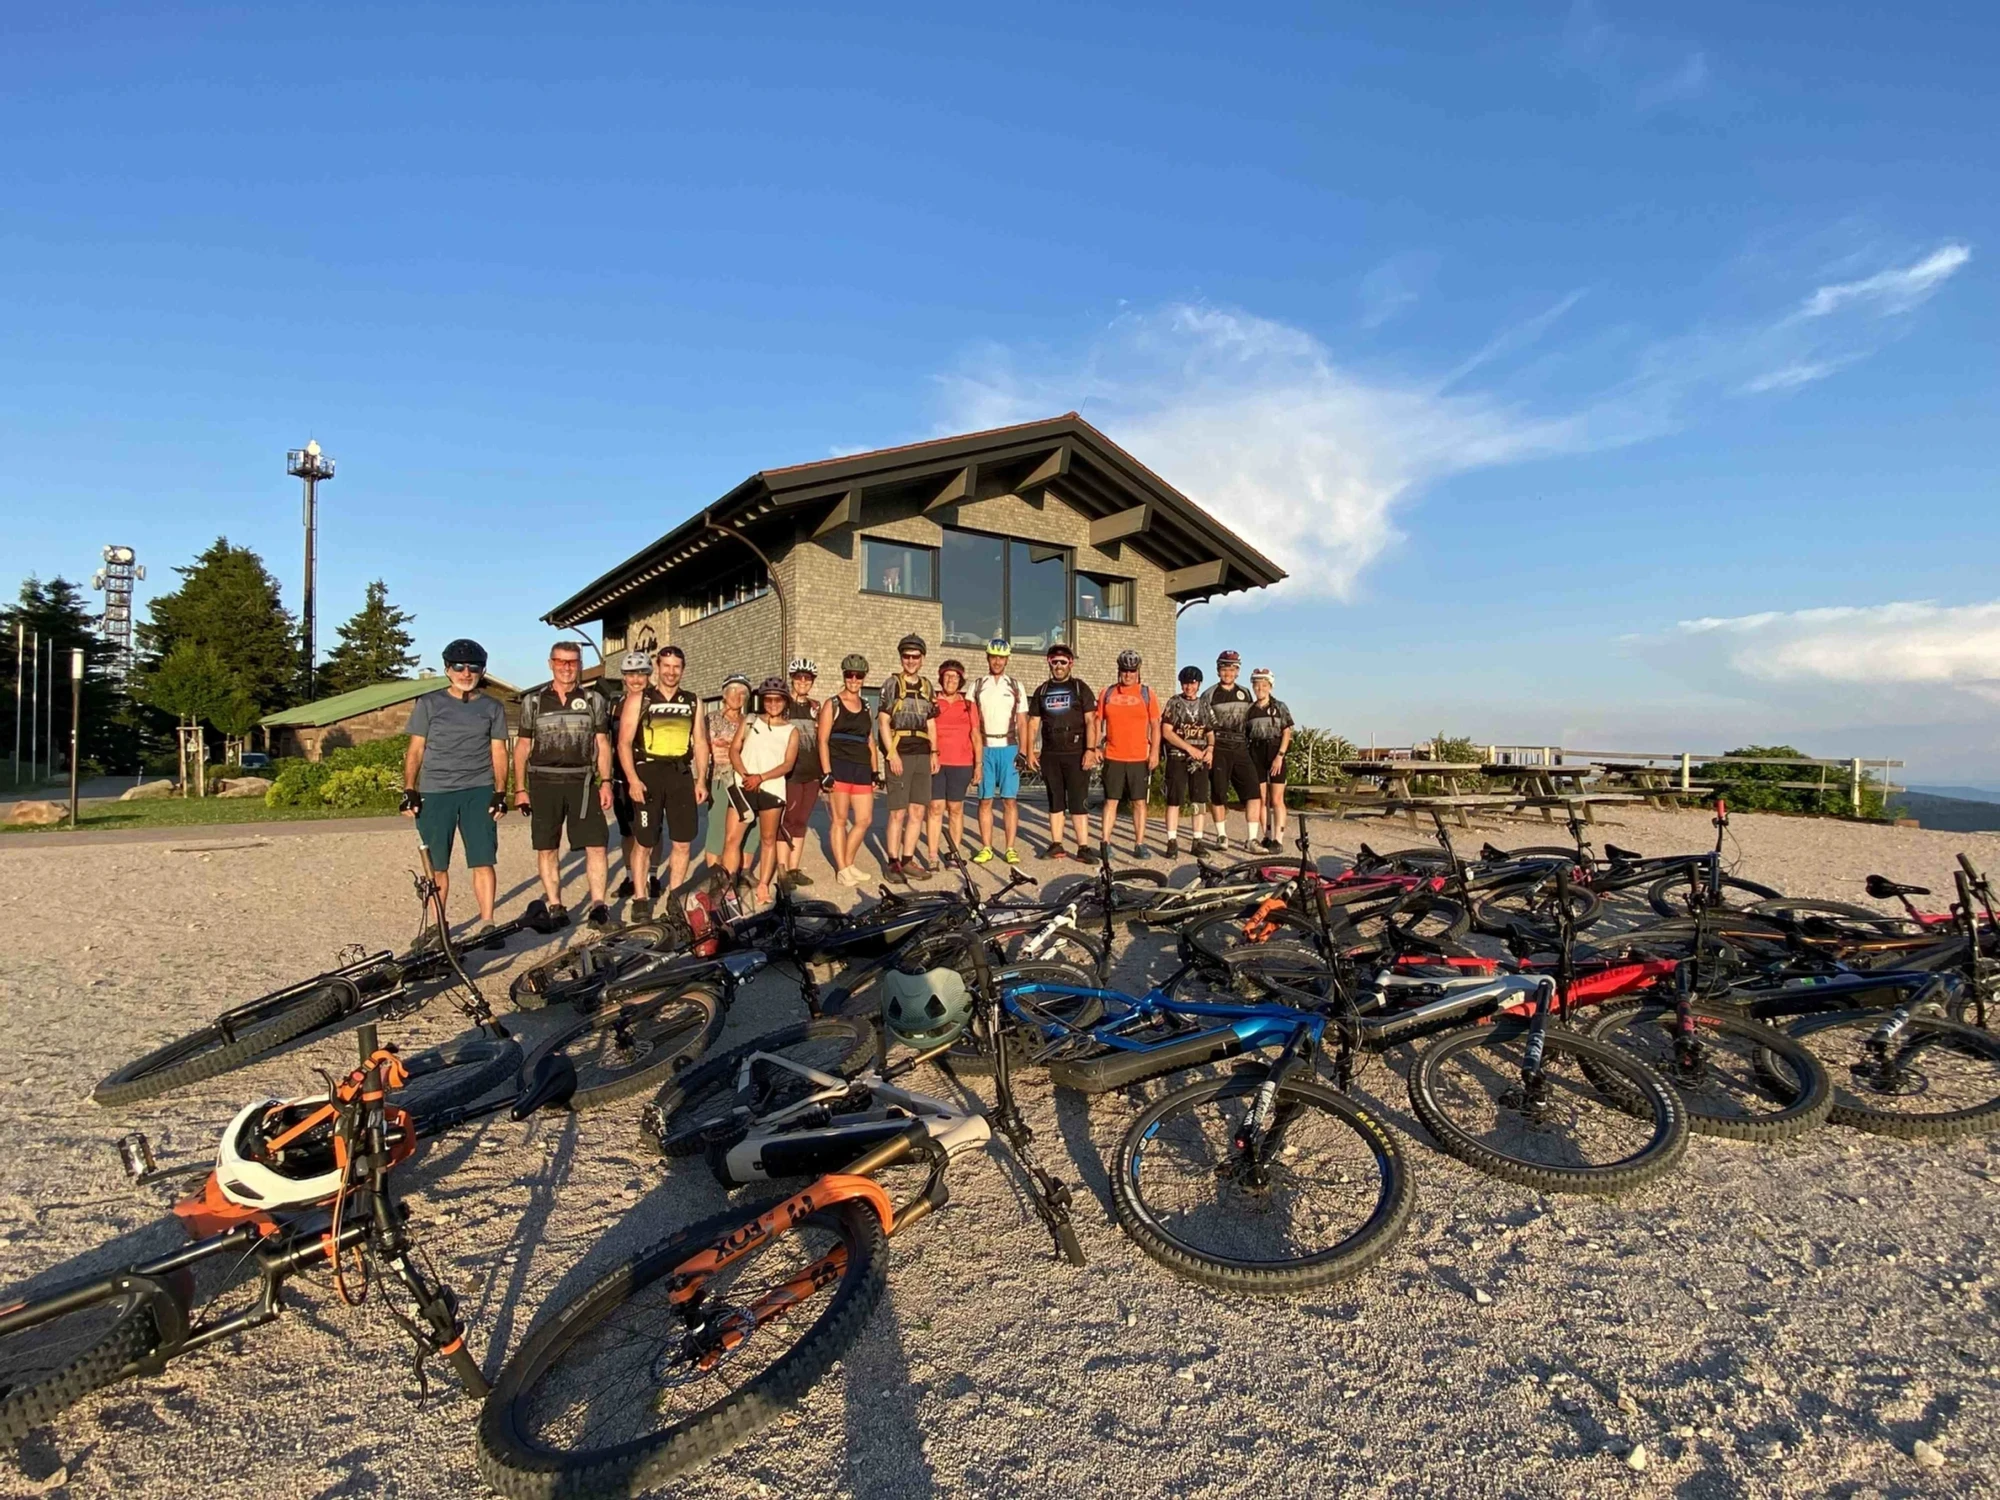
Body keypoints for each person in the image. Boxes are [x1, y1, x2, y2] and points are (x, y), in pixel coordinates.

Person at [400, 639, 509, 939]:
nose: (466, 673)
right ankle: (438, 926)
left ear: (482, 671)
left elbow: (499, 751)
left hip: (478, 789)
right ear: (447, 670)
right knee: (436, 864)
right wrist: (409, 788)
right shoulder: (429, 703)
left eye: (473, 667)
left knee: (482, 859)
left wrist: (501, 792)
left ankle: (488, 922)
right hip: (437, 791)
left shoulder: (492, 707)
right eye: (459, 667)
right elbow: (416, 750)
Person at [512, 641, 614, 929]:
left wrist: (605, 782)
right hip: (543, 782)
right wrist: (519, 788)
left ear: (579, 664)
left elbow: (602, 744)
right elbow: (522, 746)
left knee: (597, 845)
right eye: (561, 661)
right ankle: (556, 905)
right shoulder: (533, 702)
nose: (567, 667)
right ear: (551, 663)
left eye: (573, 662)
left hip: (582, 781)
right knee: (547, 847)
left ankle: (598, 906)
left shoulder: (594, 700)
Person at [616, 645, 706, 919]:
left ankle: (675, 896)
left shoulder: (693, 701)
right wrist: (632, 779)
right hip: (649, 775)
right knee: (644, 841)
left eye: (676, 666)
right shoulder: (640, 699)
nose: (671, 672)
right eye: (666, 666)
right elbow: (623, 742)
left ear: (683, 669)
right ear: (658, 667)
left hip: (680, 775)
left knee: (683, 842)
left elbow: (701, 742)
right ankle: (640, 898)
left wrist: (701, 779)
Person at [1027, 642, 1097, 861]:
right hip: (1051, 753)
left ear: (1071, 664)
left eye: (1063, 662)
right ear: (1049, 663)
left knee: (1078, 801)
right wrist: (1029, 751)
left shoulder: (1080, 688)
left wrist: (1091, 750)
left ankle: (1083, 847)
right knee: (1055, 800)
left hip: (1077, 752)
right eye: (1054, 662)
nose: (1058, 666)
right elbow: (1033, 724)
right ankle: (1056, 844)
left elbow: (1091, 721)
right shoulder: (1042, 691)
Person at [733, 678, 800, 907]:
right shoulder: (750, 721)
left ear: (785, 702)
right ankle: (726, 886)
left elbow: (788, 764)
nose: (772, 703)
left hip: (771, 788)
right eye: (768, 699)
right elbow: (734, 750)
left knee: (768, 839)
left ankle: (763, 885)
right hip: (743, 786)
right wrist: (744, 775)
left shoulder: (791, 731)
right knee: (733, 839)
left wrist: (760, 777)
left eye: (777, 699)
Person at [877, 634, 936, 884]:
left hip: (923, 751)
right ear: (901, 657)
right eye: (906, 656)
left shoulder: (927, 686)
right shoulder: (892, 684)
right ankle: (893, 862)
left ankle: (908, 858)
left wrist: (935, 752)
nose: (910, 660)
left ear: (922, 659)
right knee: (897, 812)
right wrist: (891, 754)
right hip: (900, 750)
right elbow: (883, 721)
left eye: (915, 656)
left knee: (917, 810)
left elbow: (932, 722)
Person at [818, 653, 879, 887]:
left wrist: (875, 771)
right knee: (840, 820)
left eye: (858, 676)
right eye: (849, 675)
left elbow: (870, 740)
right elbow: (822, 740)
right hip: (839, 767)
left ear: (863, 678)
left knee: (864, 819)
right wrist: (826, 772)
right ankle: (842, 869)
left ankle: (848, 863)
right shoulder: (832, 704)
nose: (854, 679)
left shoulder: (865, 706)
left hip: (862, 768)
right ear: (844, 676)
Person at [1095, 648, 1161, 858]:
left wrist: (1155, 752)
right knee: (1110, 801)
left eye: (1132, 670)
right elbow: (1098, 722)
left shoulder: (1147, 694)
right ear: (1119, 670)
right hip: (1113, 755)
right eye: (1124, 670)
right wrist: (1096, 746)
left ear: (1138, 671)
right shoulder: (1107, 693)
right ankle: (1105, 842)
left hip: (1138, 756)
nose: (1128, 674)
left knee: (1139, 802)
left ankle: (1139, 844)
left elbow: (1155, 725)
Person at [969, 637, 1028, 866]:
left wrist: (1023, 751)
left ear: (1007, 660)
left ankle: (1010, 848)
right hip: (985, 748)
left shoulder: (1015, 685)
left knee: (1009, 801)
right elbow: (972, 723)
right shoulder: (977, 685)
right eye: (994, 656)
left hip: (1009, 747)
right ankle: (986, 847)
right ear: (988, 657)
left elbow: (1022, 722)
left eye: (1001, 657)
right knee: (985, 801)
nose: (997, 661)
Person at [1201, 649, 1260, 850]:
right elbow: (1204, 725)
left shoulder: (1245, 693)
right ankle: (1222, 836)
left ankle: (1251, 839)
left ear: (1237, 671)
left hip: (1241, 746)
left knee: (1253, 794)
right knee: (1218, 793)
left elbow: (1251, 720)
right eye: (1224, 669)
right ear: (1218, 671)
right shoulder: (1209, 694)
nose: (1228, 673)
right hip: (1219, 746)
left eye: (1232, 669)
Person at [704, 673, 758, 885]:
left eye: (743, 692)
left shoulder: (751, 721)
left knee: (749, 825)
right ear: (724, 694)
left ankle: (743, 871)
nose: (738, 695)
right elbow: (700, 750)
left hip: (743, 780)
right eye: (734, 690)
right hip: (719, 778)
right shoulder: (711, 719)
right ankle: (714, 876)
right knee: (717, 828)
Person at [1159, 665, 1215, 858]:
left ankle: (1197, 841)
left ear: (1198, 684)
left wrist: (1210, 749)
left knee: (1199, 801)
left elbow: (1210, 731)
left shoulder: (1205, 704)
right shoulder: (1174, 703)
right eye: (1185, 683)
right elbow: (1166, 731)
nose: (1188, 687)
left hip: (1199, 761)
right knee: (1174, 800)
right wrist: (1188, 747)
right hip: (1177, 757)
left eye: (1192, 683)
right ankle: (1172, 841)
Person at [778, 659, 822, 888]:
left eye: (807, 678)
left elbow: (823, 739)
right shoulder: (784, 705)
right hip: (791, 773)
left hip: (812, 772)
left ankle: (794, 868)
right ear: (792, 679)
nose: (803, 682)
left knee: (802, 821)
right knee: (788, 820)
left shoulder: (816, 707)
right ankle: (782, 869)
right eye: (799, 677)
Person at [928, 659, 977, 864]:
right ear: (941, 679)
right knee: (935, 808)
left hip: (962, 763)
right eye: (947, 676)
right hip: (937, 762)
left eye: (955, 677)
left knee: (955, 808)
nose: (951, 680)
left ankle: (954, 852)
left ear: (960, 681)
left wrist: (979, 765)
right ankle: (932, 856)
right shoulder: (932, 702)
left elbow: (975, 734)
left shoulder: (968, 704)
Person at [1246, 667, 1296, 851]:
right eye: (1257, 685)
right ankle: (1266, 836)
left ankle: (1278, 839)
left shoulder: (1279, 707)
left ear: (1270, 687)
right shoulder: (1249, 710)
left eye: (1264, 685)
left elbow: (1287, 732)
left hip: (1275, 749)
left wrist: (1280, 756)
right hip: (1256, 751)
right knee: (1260, 797)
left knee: (1276, 799)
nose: (1260, 688)